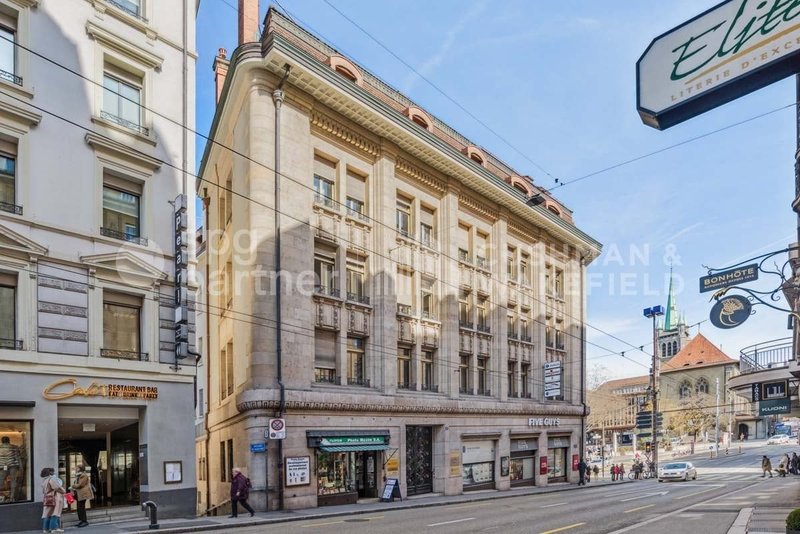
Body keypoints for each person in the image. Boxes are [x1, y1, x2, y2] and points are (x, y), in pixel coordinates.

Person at [40, 467, 65, 533]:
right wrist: (63, 491)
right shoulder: (51, 479)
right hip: (54, 497)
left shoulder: (44, 480)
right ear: (49, 472)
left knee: (47, 514)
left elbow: (43, 491)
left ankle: (46, 529)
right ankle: (54, 528)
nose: (53, 472)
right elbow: (56, 487)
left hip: (47, 497)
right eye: (52, 471)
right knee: (55, 513)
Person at [0, 436, 21, 502]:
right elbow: (17, 457)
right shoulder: (14, 447)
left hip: (3, 466)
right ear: (9, 441)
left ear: (2, 441)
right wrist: (20, 467)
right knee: (13, 480)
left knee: (1, 479)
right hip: (13, 466)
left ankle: (1, 495)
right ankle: (12, 497)